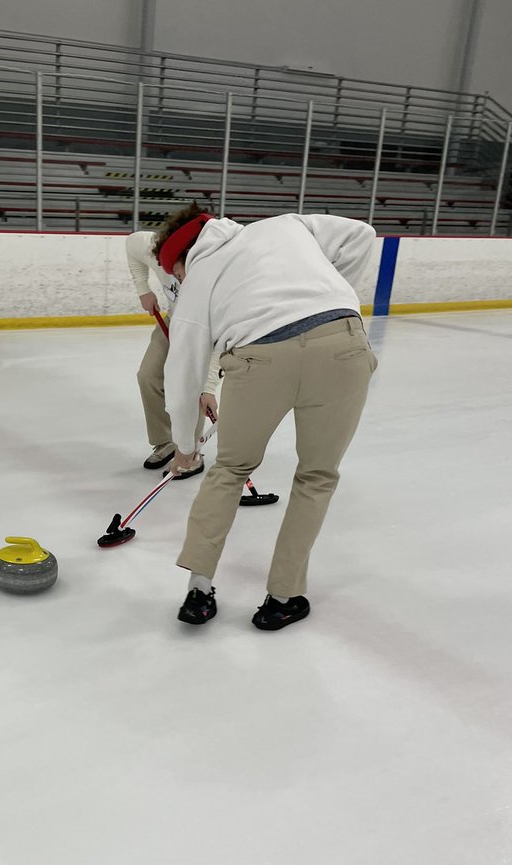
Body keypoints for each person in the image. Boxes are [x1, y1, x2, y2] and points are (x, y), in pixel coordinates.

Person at [154, 202, 377, 631]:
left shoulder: (199, 276)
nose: (177, 282)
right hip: (342, 345)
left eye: (175, 275)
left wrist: (184, 447)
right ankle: (283, 597)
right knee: (317, 475)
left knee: (229, 470)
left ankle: (199, 591)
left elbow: (182, 366)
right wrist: (329, 293)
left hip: (259, 360)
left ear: (182, 259)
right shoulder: (286, 225)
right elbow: (361, 235)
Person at [125, 228, 220, 478]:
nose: (177, 276)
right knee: (148, 376)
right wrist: (143, 289)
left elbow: (219, 343)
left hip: (203, 330)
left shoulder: (214, 276)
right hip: (173, 320)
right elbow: (132, 244)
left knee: (195, 388)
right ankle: (165, 441)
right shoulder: (155, 248)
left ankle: (192, 450)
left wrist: (208, 387)